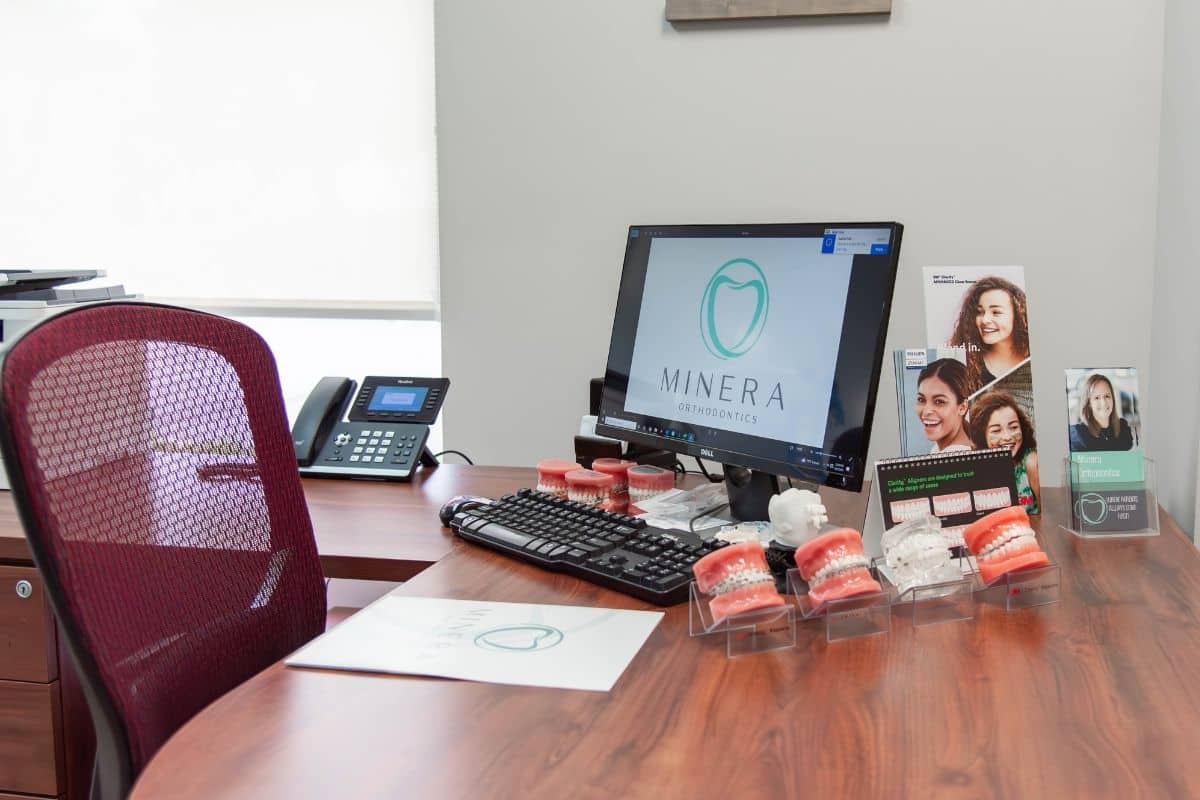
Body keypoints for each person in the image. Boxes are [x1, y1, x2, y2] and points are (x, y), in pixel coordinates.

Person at [948, 276, 1031, 393]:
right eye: (980, 312)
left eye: (996, 312)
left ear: (1018, 315)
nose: (984, 320)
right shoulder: (966, 364)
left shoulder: (1033, 358)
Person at [969, 391, 1040, 514]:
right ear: (982, 435)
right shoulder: (976, 467)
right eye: (996, 430)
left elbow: (1048, 516)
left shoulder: (1031, 462)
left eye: (1013, 427)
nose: (1007, 437)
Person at [915, 359, 973, 454]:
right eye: (921, 399)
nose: (926, 411)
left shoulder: (956, 455)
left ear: (962, 407)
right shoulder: (940, 449)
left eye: (939, 401)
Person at [1069, 373, 1134, 452]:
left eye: (1107, 396)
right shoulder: (1079, 435)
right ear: (1089, 403)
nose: (1103, 402)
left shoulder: (1123, 429)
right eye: (1097, 398)